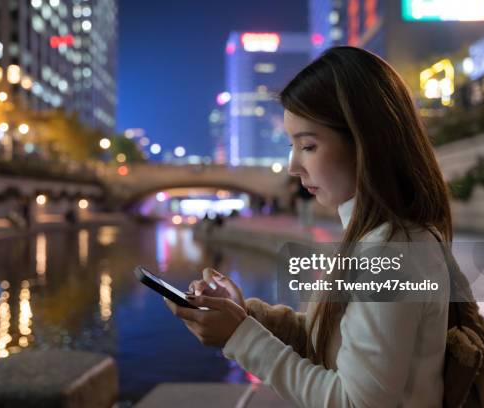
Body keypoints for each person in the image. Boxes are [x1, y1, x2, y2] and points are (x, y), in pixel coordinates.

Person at [164, 46, 452, 407]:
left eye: (308, 146)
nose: (292, 166)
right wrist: (247, 317)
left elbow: (353, 402)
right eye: (291, 145)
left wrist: (240, 337)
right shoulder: (376, 239)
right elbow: (336, 343)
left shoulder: (390, 252)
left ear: (365, 141)